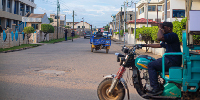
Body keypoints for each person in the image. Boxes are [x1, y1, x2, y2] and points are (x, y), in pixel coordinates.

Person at [141, 22, 182, 96]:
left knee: (150, 65)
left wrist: (160, 28)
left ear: (169, 28)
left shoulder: (172, 35)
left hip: (172, 60)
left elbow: (160, 37)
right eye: (162, 27)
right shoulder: (169, 37)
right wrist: (144, 45)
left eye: (164, 27)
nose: (163, 29)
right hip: (170, 59)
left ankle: (155, 89)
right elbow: (159, 45)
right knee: (153, 61)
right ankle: (156, 84)